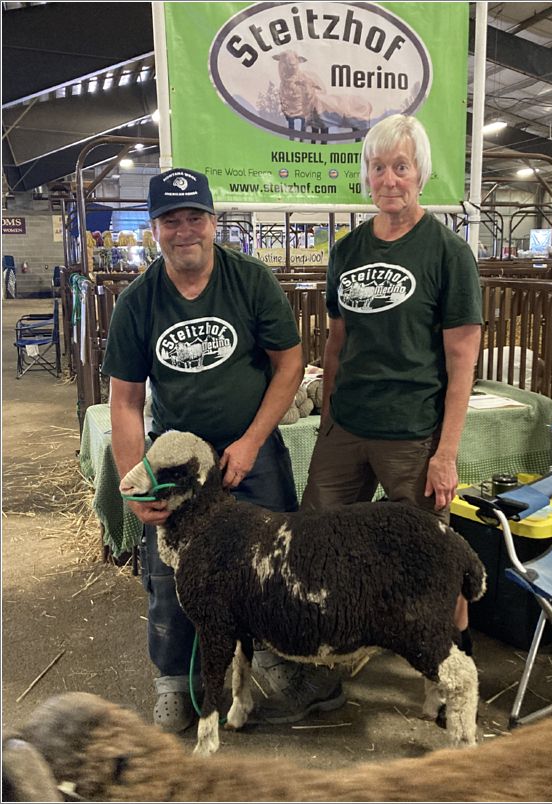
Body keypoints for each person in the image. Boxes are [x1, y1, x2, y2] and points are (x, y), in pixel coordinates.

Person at [102, 168, 344, 732]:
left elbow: (289, 363)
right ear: (154, 228)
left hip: (249, 444)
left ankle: (276, 661)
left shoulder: (249, 280)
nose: (184, 230)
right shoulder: (139, 301)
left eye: (194, 218)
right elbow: (125, 400)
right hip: (177, 458)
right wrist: (134, 479)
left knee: (274, 559)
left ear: (213, 222)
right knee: (171, 570)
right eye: (170, 220)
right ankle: (172, 681)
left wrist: (252, 441)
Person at [301, 115, 483, 718]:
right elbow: (335, 344)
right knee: (317, 541)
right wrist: (328, 417)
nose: (389, 179)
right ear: (366, 176)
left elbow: (462, 361)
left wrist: (446, 452)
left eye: (400, 166)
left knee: (430, 557)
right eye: (378, 167)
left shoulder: (449, 254)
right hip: (347, 428)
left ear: (421, 174)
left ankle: (446, 677)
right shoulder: (347, 250)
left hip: (413, 434)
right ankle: (322, 669)